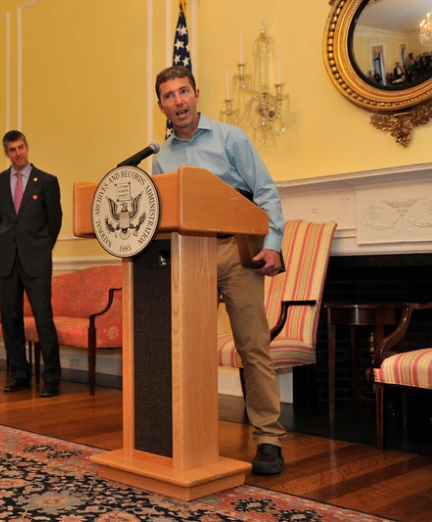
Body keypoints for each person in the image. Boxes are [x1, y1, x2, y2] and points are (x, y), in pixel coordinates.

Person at [151, 66, 286, 475]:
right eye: (169, 96)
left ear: (197, 95)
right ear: (161, 105)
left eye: (184, 92)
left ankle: (268, 439)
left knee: (252, 345)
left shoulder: (232, 137)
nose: (179, 101)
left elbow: (264, 192)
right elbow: (164, 213)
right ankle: (186, 431)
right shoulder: (160, 158)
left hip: (235, 251)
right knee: (183, 347)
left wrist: (273, 245)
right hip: (190, 257)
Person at [0, 130, 63, 397]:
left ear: (27, 148)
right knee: (10, 320)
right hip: (6, 260)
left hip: (37, 260)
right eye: (12, 149)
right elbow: (1, 221)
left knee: (43, 319)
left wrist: (41, 247)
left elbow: (54, 221)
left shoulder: (46, 181)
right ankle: (20, 374)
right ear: (6, 153)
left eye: (21, 147)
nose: (17, 153)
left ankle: (52, 377)